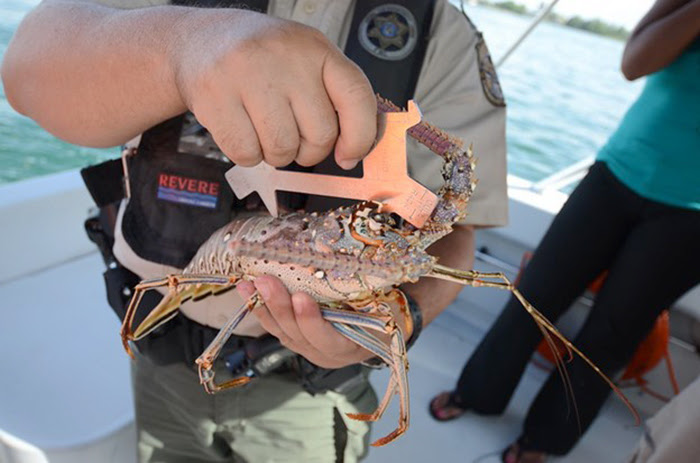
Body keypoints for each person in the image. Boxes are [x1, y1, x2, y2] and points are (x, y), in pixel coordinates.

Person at [2, 1, 508, 461]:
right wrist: (185, 49)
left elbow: (456, 236)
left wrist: (404, 315)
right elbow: (24, 74)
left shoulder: (442, 34)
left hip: (308, 393)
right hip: (162, 347)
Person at [428, 0, 700, 461]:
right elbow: (635, 63)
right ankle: (478, 393)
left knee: (612, 333)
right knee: (534, 294)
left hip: (690, 218)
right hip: (617, 173)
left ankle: (544, 440)